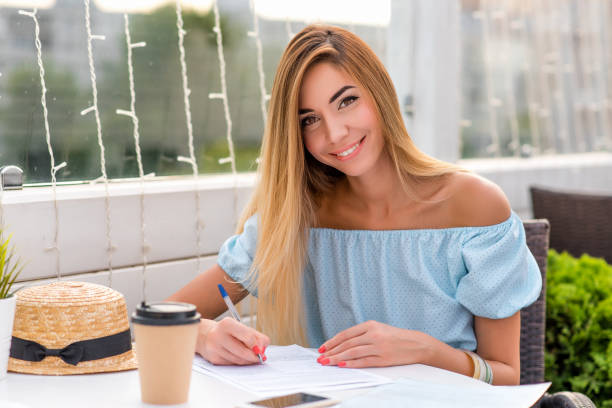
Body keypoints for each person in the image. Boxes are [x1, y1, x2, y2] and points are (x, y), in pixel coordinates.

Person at [167, 24, 542, 385]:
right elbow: (154, 320)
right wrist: (202, 334)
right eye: (310, 119)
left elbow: (506, 378)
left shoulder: (474, 207)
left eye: (346, 101)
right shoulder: (297, 217)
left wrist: (423, 350)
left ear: (379, 95)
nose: (334, 134)